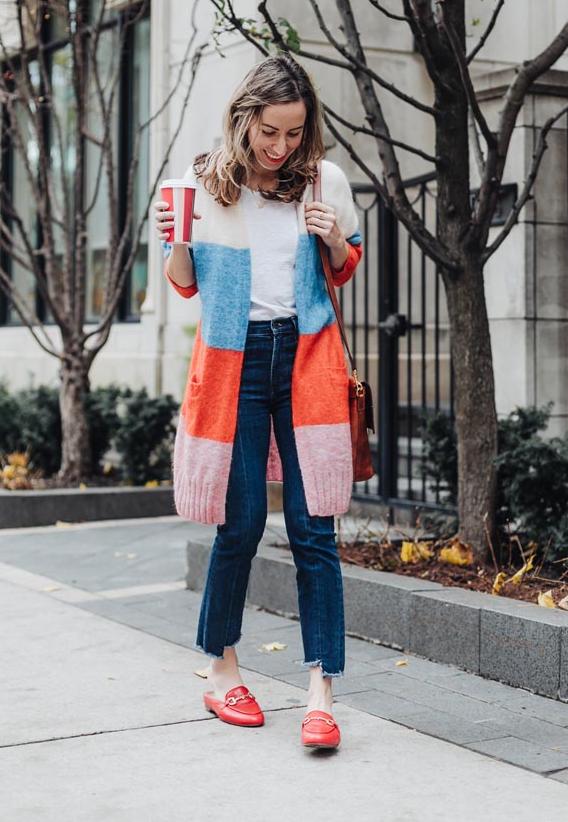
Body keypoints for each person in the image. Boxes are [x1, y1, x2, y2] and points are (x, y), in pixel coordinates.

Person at [154, 55, 363, 750]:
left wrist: (334, 235)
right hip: (233, 361)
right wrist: (175, 238)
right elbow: (185, 284)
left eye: (295, 133)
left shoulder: (323, 179)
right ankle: (221, 666)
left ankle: (321, 689)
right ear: (244, 120)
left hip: (305, 359)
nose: (281, 148)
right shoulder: (200, 185)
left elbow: (343, 268)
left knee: (314, 528)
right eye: (269, 132)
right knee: (239, 523)